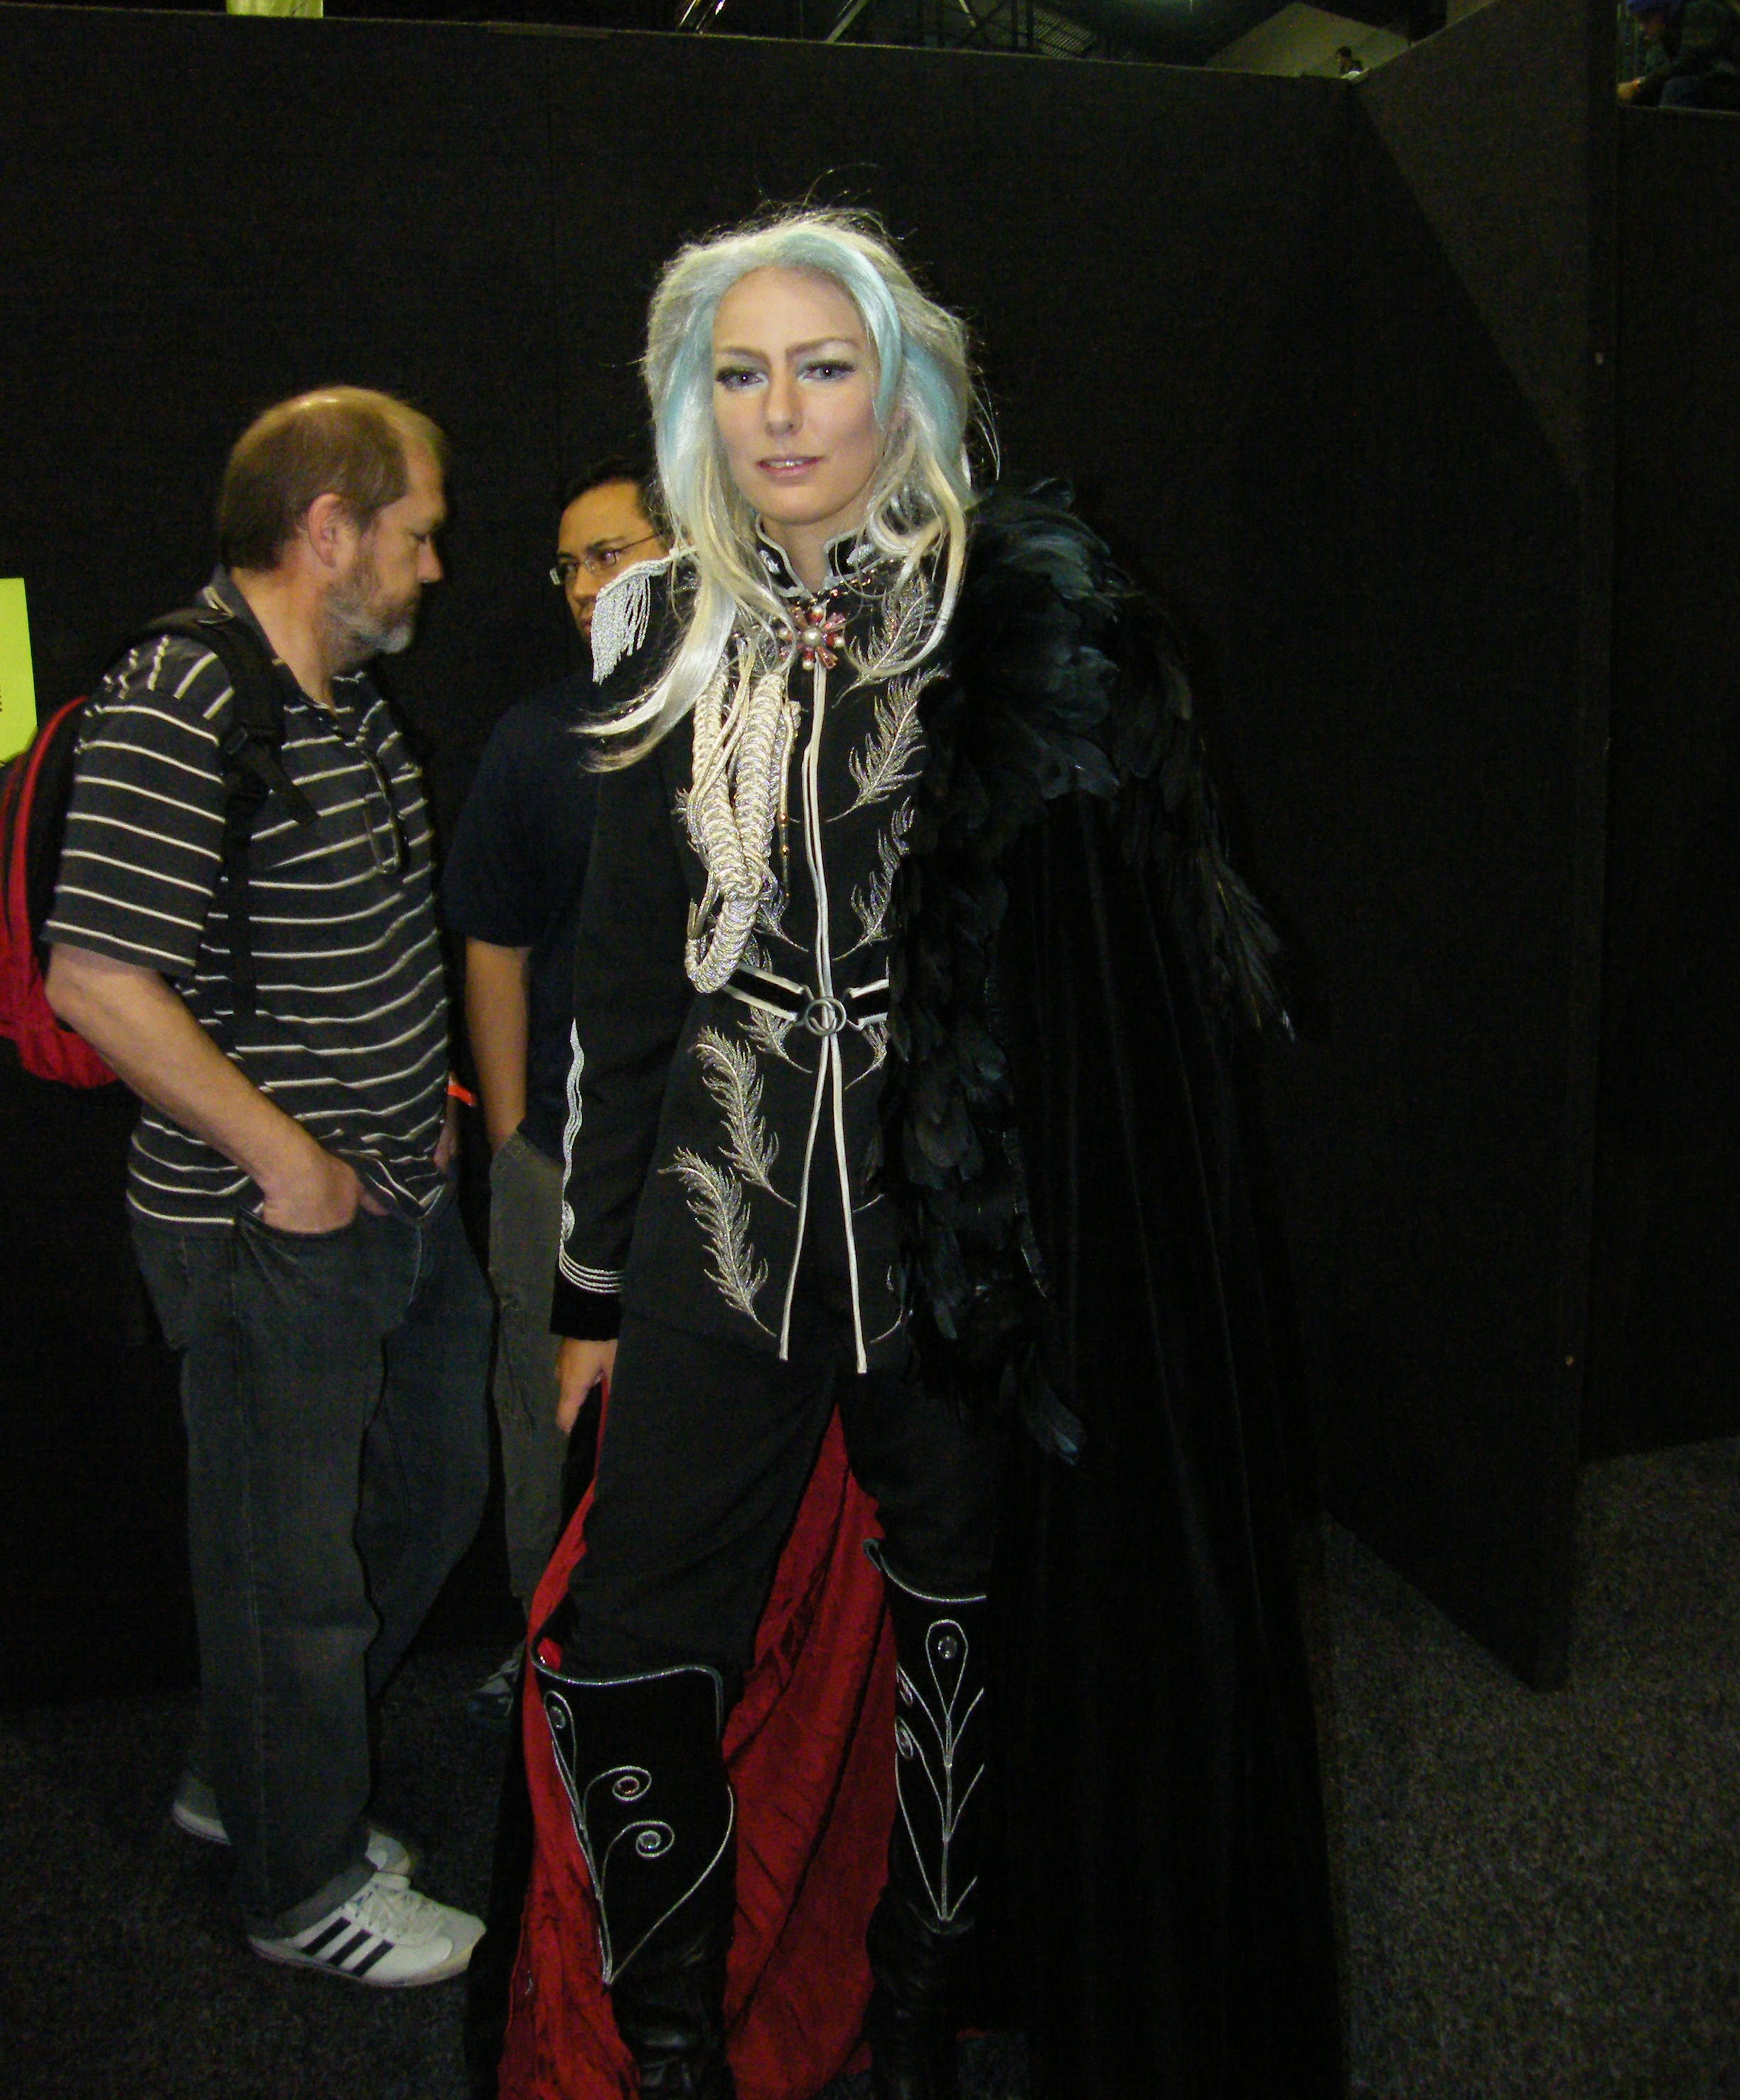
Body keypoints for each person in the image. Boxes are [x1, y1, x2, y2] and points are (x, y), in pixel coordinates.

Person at [506, 212, 1343, 2099]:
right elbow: (625, 993)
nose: (783, 412)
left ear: (903, 389)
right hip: (719, 1228)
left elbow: (1114, 979)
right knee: (635, 1625)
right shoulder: (659, 626)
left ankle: (916, 2021)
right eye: (741, 374)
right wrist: (588, 1287)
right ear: (693, 409)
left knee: (964, 1606)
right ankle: (671, 2048)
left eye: (825, 368)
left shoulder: (1011, 617)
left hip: (951, 1237)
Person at [43, 387, 492, 1989]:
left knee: (430, 1487)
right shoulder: (182, 699)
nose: (433, 565)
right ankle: (298, 1887)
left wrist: (421, 1111)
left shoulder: (346, 696)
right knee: (289, 1573)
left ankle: (249, 1771)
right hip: (267, 1233)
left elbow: (358, 941)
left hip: (396, 1204)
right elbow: (96, 977)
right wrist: (289, 1159)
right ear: (329, 528)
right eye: (415, 533)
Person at [443, 459, 670, 1725]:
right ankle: (542, 1652)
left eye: (612, 553)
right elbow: (494, 943)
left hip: (708, 1154)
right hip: (561, 1153)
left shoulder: (752, 716)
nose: (586, 587)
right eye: (569, 565)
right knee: (545, 1413)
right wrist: (517, 1137)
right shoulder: (536, 739)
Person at [1619, 0, 1740, 111]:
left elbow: (1690, 62)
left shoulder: (1702, 11)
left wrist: (1639, 86)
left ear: (1662, 13)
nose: (1643, 28)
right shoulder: (1677, 28)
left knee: (1676, 90)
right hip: (1721, 83)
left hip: (1730, 83)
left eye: (1646, 20)